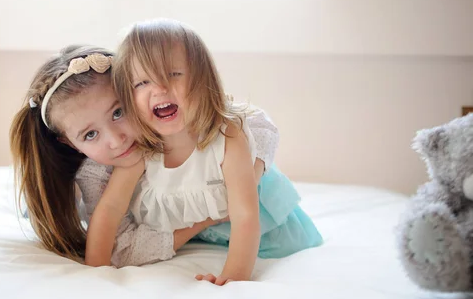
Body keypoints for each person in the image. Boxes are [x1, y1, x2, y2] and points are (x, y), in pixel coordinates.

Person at [86, 19, 322, 285]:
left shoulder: (228, 136)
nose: (160, 88)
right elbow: (110, 208)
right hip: (198, 232)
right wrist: (96, 271)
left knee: (279, 242)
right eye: (142, 82)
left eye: (174, 74)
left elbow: (245, 215)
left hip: (255, 227)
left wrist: (233, 277)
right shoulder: (141, 147)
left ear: (202, 79)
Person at [9, 45, 280, 267]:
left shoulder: (169, 121)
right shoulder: (98, 174)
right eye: (90, 135)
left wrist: (245, 181)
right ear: (69, 143)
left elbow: (255, 122)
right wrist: (205, 220)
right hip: (192, 226)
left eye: (118, 112)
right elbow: (120, 248)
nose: (117, 140)